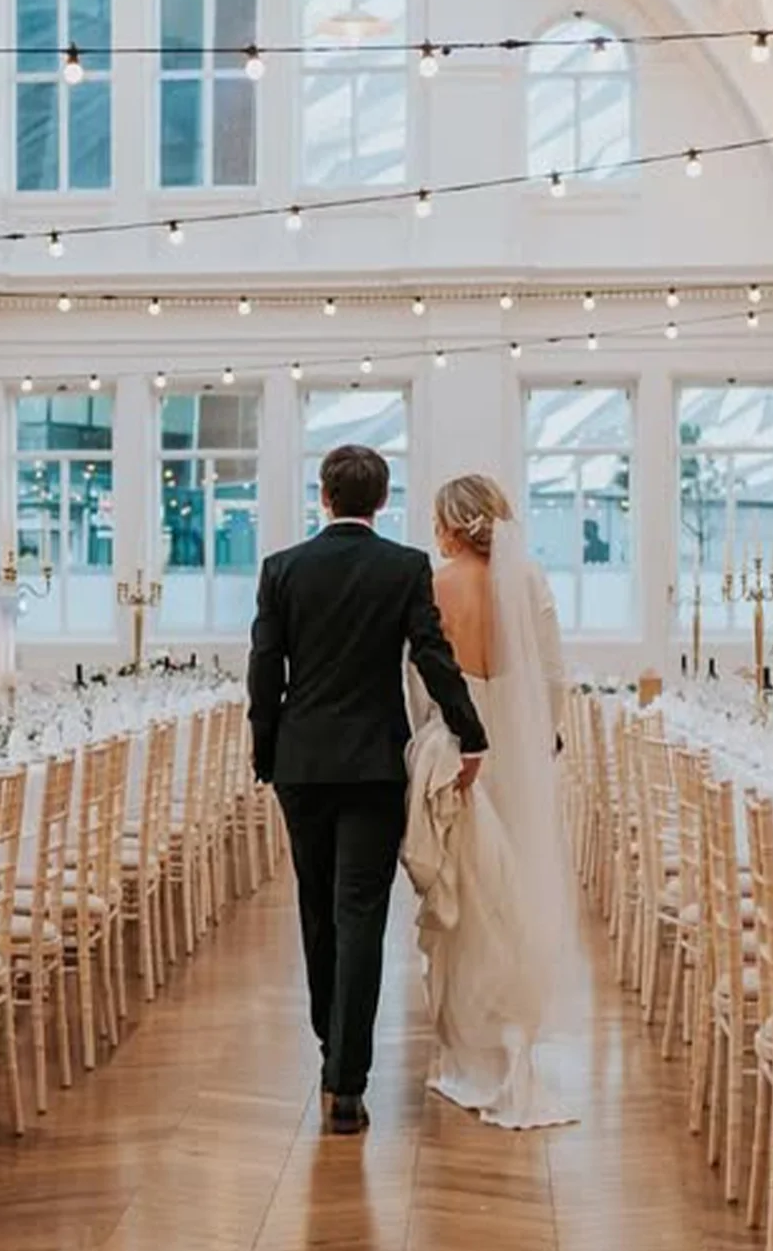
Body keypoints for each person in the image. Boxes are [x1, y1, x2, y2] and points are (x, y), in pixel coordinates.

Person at [247, 445, 487, 1136]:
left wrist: (268, 754)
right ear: (381, 502)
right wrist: (470, 733)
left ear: (324, 495)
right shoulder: (404, 567)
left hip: (302, 763)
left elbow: (265, 673)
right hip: (377, 764)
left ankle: (333, 1046)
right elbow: (432, 657)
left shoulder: (283, 569)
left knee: (317, 909)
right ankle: (347, 1079)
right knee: (362, 916)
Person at [409, 473, 583, 1129]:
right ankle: (515, 1036)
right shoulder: (530, 580)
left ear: (453, 524)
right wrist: (542, 739)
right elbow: (554, 674)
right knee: (516, 896)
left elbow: (421, 680)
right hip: (517, 746)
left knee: (467, 898)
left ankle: (470, 1050)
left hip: (460, 748)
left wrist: (433, 744)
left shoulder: (436, 582)